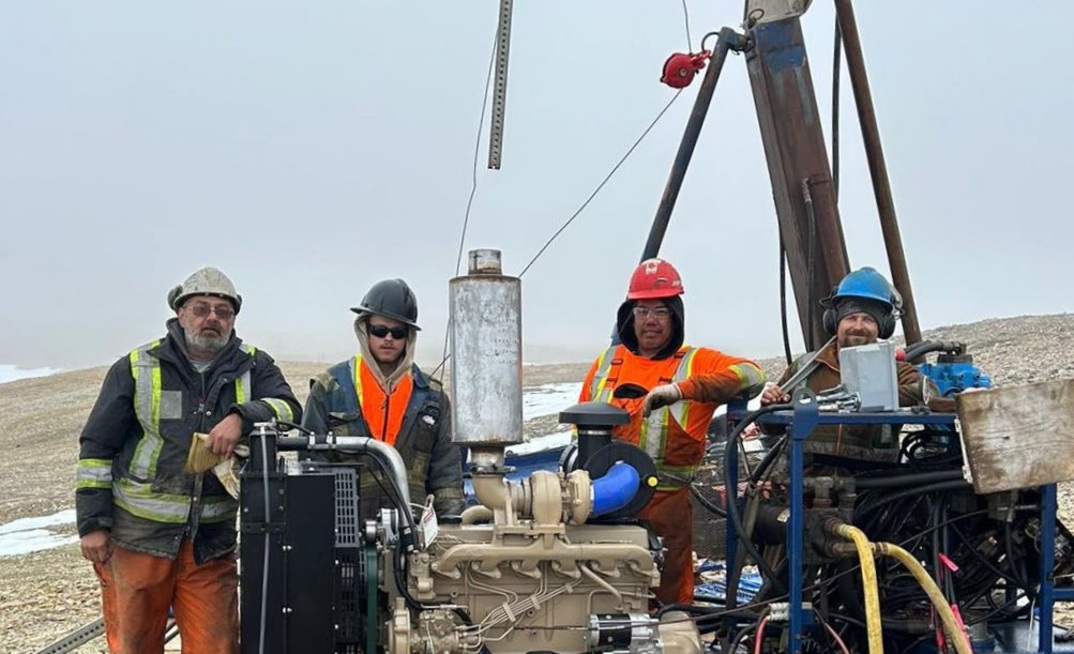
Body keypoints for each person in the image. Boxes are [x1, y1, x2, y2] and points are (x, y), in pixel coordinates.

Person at [76, 266, 302, 654]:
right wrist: (93, 525)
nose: (212, 318)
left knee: (216, 646)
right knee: (133, 645)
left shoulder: (254, 365)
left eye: (223, 311)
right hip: (137, 540)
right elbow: (97, 448)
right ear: (180, 313)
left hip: (209, 545)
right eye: (201, 308)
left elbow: (288, 408)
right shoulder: (137, 366)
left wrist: (241, 416)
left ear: (233, 320)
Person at [578, 258, 766, 606]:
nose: (650, 321)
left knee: (669, 608)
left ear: (676, 316)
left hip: (665, 507)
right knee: (599, 601)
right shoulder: (606, 364)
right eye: (642, 310)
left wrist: (683, 390)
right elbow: (580, 429)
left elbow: (753, 375)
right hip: (603, 508)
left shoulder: (694, 362)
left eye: (661, 311)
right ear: (629, 316)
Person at [301, 278, 465, 520]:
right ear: (364, 330)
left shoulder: (434, 397)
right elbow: (310, 466)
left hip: (413, 534)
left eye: (397, 333)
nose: (388, 338)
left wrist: (450, 528)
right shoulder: (330, 389)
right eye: (379, 330)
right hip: (346, 530)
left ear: (408, 337)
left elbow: (447, 474)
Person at [760, 266, 939, 464]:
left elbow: (929, 392)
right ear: (834, 321)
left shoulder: (894, 370)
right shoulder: (804, 368)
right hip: (805, 482)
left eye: (868, 319)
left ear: (883, 326)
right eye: (851, 318)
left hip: (873, 486)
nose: (858, 326)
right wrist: (771, 405)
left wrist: (870, 396)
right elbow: (770, 428)